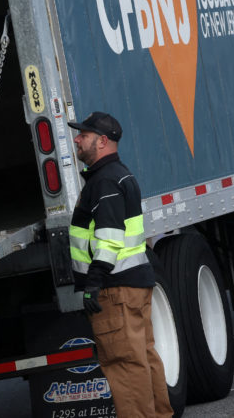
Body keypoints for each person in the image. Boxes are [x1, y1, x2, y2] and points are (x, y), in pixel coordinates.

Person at [68, 111, 172, 418]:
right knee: (143, 357)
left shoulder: (104, 182)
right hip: (133, 284)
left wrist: (93, 283)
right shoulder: (119, 175)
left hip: (115, 289)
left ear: (102, 141)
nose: (77, 139)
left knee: (124, 365)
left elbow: (110, 238)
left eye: (83, 135)